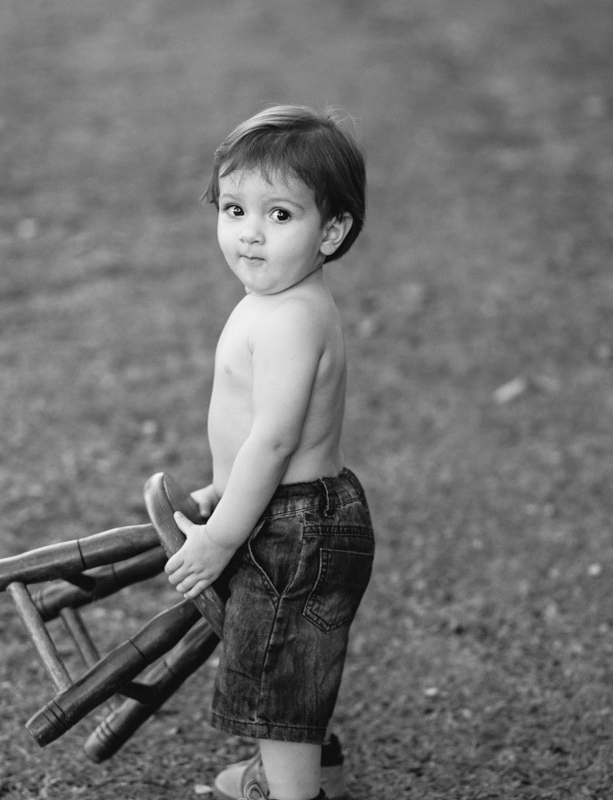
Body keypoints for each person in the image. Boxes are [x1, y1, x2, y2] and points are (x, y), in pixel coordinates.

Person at [164, 105, 374, 800]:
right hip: (283, 513)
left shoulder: (292, 317)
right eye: (233, 208)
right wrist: (224, 490)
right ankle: (315, 766)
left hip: (295, 526)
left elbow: (276, 439)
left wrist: (222, 537)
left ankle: (290, 791)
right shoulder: (273, 299)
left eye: (280, 216)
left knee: (280, 664)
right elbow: (252, 432)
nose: (250, 234)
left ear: (332, 231)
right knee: (283, 648)